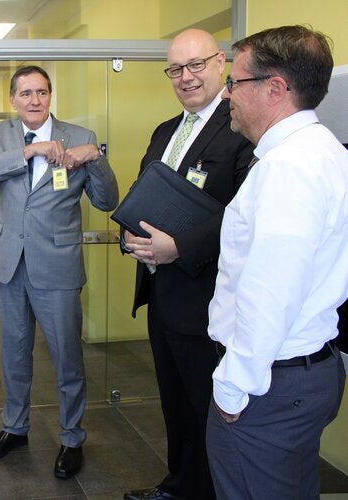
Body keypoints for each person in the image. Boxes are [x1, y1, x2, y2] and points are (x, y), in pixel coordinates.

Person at [205, 25, 348, 499]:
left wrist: (232, 386)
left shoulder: (289, 168)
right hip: (301, 374)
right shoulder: (323, 151)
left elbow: (271, 293)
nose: (226, 94)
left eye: (235, 82)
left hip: (270, 384)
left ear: (275, 88)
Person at [121, 29, 254, 500]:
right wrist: (127, 229)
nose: (186, 77)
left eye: (196, 65)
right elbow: (142, 195)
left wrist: (180, 247)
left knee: (208, 408)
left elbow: (242, 216)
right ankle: (180, 485)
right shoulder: (165, 132)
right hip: (162, 295)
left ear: (221, 63)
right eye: (176, 69)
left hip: (207, 301)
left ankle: (213, 491)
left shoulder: (240, 128)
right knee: (175, 403)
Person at [0, 65, 119, 479]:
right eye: (25, 94)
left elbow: (107, 201)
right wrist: (30, 152)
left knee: (67, 357)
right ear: (13, 100)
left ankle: (72, 437)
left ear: (50, 95)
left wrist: (97, 158)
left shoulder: (80, 137)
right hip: (9, 264)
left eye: (41, 92)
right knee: (14, 354)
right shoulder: (2, 135)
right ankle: (14, 427)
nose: (34, 100)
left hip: (57, 264)